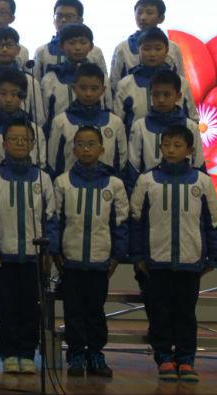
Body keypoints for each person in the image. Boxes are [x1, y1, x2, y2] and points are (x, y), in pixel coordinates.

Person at [130, 125, 217, 382]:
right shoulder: (147, 180)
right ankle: (164, 358)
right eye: (166, 145)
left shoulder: (202, 181)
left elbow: (214, 221)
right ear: (160, 147)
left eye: (177, 145)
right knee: (159, 313)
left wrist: (215, 256)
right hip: (155, 263)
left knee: (186, 314)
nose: (171, 150)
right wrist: (137, 257)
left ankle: (185, 360)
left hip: (189, 262)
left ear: (190, 150)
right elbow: (136, 221)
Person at [0, 119, 57, 375]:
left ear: (33, 144)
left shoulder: (43, 178)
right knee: (6, 308)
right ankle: (9, 353)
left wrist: (48, 252)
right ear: (4, 144)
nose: (20, 143)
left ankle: (27, 352)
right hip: (5, 258)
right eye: (14, 139)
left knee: (31, 308)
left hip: (33, 258)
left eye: (25, 139)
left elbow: (51, 219)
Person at [52, 126, 129, 378]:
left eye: (91, 144)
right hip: (71, 261)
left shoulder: (114, 184)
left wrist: (116, 256)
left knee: (95, 310)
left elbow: (121, 223)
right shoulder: (62, 182)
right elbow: (55, 220)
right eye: (80, 144)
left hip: (100, 261)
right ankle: (76, 353)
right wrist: (56, 252)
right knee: (73, 311)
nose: (86, 149)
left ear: (101, 149)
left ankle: (95, 353)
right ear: (74, 149)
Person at [47, 63, 128, 179]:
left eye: (94, 89)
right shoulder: (61, 122)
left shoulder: (115, 122)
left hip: (106, 186)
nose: (88, 93)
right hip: (70, 186)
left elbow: (122, 163)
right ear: (74, 88)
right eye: (83, 88)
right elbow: (53, 163)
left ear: (103, 90)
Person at [113, 28, 196, 133]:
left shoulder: (181, 83)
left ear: (166, 50)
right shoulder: (126, 84)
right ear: (138, 50)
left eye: (158, 49)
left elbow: (192, 119)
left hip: (175, 141)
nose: (152, 54)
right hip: (136, 142)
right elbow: (117, 125)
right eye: (146, 49)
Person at [128, 69, 205, 175]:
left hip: (185, 183)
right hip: (149, 184)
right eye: (156, 95)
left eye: (167, 95)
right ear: (150, 95)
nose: (161, 100)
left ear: (178, 96)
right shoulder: (140, 126)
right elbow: (133, 168)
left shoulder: (191, 127)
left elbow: (199, 166)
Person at [39, 24, 111, 135]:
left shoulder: (101, 77)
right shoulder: (51, 78)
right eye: (72, 43)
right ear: (61, 46)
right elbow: (45, 115)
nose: (77, 47)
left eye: (83, 43)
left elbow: (108, 108)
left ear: (91, 46)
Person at [0, 69, 47, 171]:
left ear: (23, 96)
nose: (8, 99)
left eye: (14, 94)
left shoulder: (35, 130)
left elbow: (41, 166)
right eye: (3, 94)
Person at [109, 0, 185, 90]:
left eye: (149, 13)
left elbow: (180, 82)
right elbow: (114, 83)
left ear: (161, 18)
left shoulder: (173, 48)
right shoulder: (123, 48)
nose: (143, 17)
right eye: (139, 12)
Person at [32, 0, 107, 79]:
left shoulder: (95, 52)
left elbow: (104, 80)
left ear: (80, 20)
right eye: (59, 16)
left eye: (69, 16)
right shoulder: (42, 51)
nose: (63, 20)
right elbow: (35, 82)